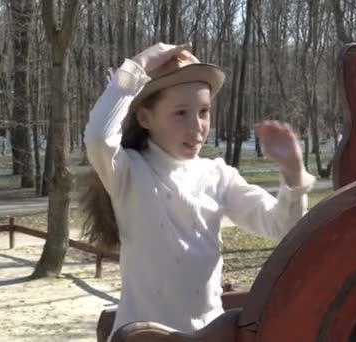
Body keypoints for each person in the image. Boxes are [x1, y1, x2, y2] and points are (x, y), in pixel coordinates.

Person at [81, 43, 315, 339]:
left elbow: (283, 227)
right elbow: (99, 135)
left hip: (209, 335)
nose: (197, 127)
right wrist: (139, 64)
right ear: (145, 118)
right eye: (181, 113)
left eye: (203, 112)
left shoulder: (218, 176)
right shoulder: (128, 172)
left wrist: (293, 174)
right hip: (141, 336)